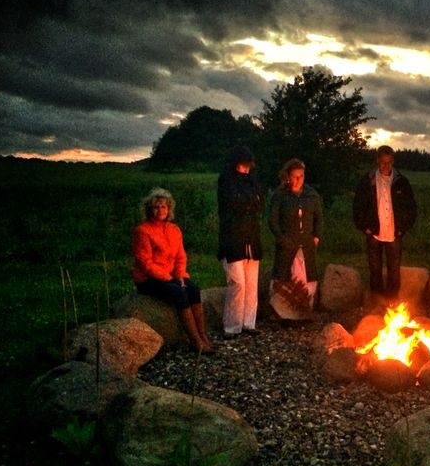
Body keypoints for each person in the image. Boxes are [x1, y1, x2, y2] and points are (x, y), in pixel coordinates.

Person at [132, 188, 213, 354]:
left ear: (169, 209)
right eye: (156, 207)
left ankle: (202, 335)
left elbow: (180, 257)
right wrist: (168, 278)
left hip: (170, 275)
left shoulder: (174, 230)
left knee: (193, 289)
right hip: (148, 279)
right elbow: (145, 263)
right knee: (179, 293)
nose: (160, 210)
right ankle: (195, 341)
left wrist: (180, 275)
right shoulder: (142, 231)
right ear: (149, 210)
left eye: (163, 206)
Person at [352, 145, 417, 307]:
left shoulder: (401, 182)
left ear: (393, 161)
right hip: (374, 232)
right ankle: (377, 303)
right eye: (383, 162)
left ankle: (392, 303)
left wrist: (403, 228)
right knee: (375, 269)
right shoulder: (368, 181)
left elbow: (411, 207)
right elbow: (358, 206)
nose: (386, 166)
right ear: (377, 161)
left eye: (389, 162)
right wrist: (364, 227)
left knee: (394, 270)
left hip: (394, 232)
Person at [218, 145, 264, 340]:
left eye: (247, 166)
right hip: (233, 237)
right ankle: (231, 326)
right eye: (243, 166)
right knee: (237, 282)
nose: (245, 170)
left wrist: (249, 202)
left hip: (251, 236)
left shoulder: (252, 180)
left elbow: (260, 202)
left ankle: (248, 323)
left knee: (251, 283)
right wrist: (249, 202)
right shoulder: (226, 180)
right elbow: (233, 203)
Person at [268, 159, 323, 319]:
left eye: (301, 176)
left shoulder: (311, 195)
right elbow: (272, 220)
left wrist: (316, 237)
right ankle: (285, 314)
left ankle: (304, 312)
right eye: (295, 176)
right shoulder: (280, 195)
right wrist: (281, 238)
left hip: (306, 243)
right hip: (287, 243)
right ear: (288, 176)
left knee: (307, 277)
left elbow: (319, 218)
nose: (299, 180)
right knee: (284, 275)